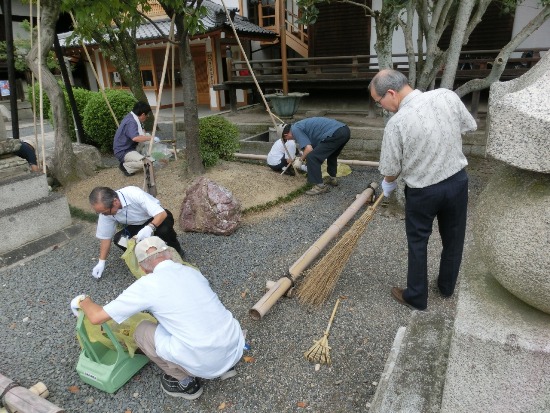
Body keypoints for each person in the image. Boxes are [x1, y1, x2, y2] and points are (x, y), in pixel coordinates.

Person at [71, 236, 244, 400]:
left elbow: (97, 317)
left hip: (204, 362)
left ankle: (186, 383)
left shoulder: (148, 285)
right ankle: (226, 366)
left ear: (143, 267)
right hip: (234, 344)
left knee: (141, 330)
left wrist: (82, 300)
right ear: (169, 253)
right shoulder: (191, 271)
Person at [369, 69, 477, 311]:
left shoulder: (397, 123)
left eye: (380, 102)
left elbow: (390, 167)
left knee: (418, 243)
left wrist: (388, 183)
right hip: (457, 182)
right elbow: (469, 125)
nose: (382, 107)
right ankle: (447, 287)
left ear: (391, 93)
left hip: (423, 191)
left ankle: (417, 296)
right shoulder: (446, 96)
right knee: (454, 237)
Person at [89, 186, 184, 279]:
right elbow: (105, 237)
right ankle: (145, 260)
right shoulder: (106, 212)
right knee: (120, 239)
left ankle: (176, 252)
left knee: (164, 231)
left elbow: (161, 214)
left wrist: (150, 227)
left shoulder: (133, 193)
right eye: (100, 213)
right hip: (136, 225)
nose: (104, 215)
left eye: (105, 212)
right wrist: (101, 262)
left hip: (156, 218)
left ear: (115, 202)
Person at [277, 117, 350, 195]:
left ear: (286, 134)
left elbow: (309, 149)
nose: (288, 140)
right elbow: (313, 145)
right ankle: (333, 178)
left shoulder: (295, 130)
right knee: (332, 155)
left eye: (286, 139)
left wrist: (300, 160)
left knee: (312, 157)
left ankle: (320, 186)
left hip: (335, 133)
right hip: (344, 130)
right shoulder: (299, 125)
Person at [113, 101, 159, 176]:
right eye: (147, 115)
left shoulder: (133, 116)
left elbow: (142, 132)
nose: (148, 117)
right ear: (143, 114)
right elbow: (135, 138)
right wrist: (151, 137)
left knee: (147, 136)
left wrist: (149, 138)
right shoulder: (131, 121)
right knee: (148, 162)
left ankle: (141, 156)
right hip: (124, 151)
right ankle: (126, 166)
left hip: (130, 146)